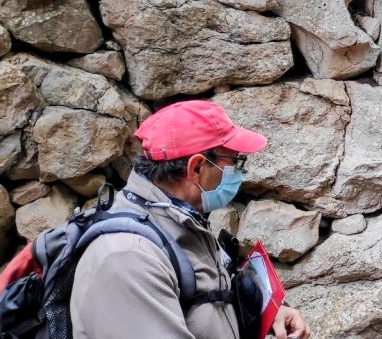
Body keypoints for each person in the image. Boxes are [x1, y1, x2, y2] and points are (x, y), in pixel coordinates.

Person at [70, 100, 311, 339]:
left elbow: (210, 301)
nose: (240, 172)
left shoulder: (179, 219)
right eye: (235, 162)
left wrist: (268, 312)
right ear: (197, 167)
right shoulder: (128, 258)